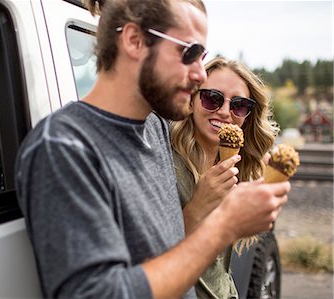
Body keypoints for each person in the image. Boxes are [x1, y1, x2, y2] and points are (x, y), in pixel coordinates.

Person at [15, 1, 290, 298]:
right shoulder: (64, 147)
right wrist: (225, 225)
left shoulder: (155, 129)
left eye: (203, 57)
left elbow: (168, 254)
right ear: (134, 40)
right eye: (189, 53)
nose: (200, 74)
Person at [170, 56, 280, 299]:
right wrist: (198, 205)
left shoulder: (239, 170)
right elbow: (155, 257)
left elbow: (219, 268)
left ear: (248, 115)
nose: (224, 112)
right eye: (212, 98)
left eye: (239, 105)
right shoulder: (166, 163)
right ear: (192, 98)